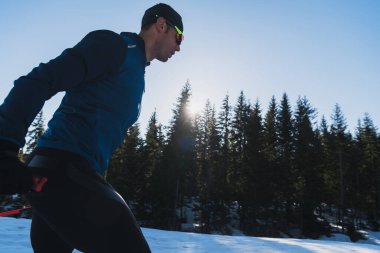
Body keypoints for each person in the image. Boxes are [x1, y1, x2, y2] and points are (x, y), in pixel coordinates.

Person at [0, 3, 184, 252]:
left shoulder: (137, 72)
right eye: (179, 36)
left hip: (64, 179)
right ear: (161, 25)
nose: (179, 47)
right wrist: (5, 146)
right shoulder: (115, 46)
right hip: (61, 170)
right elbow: (39, 80)